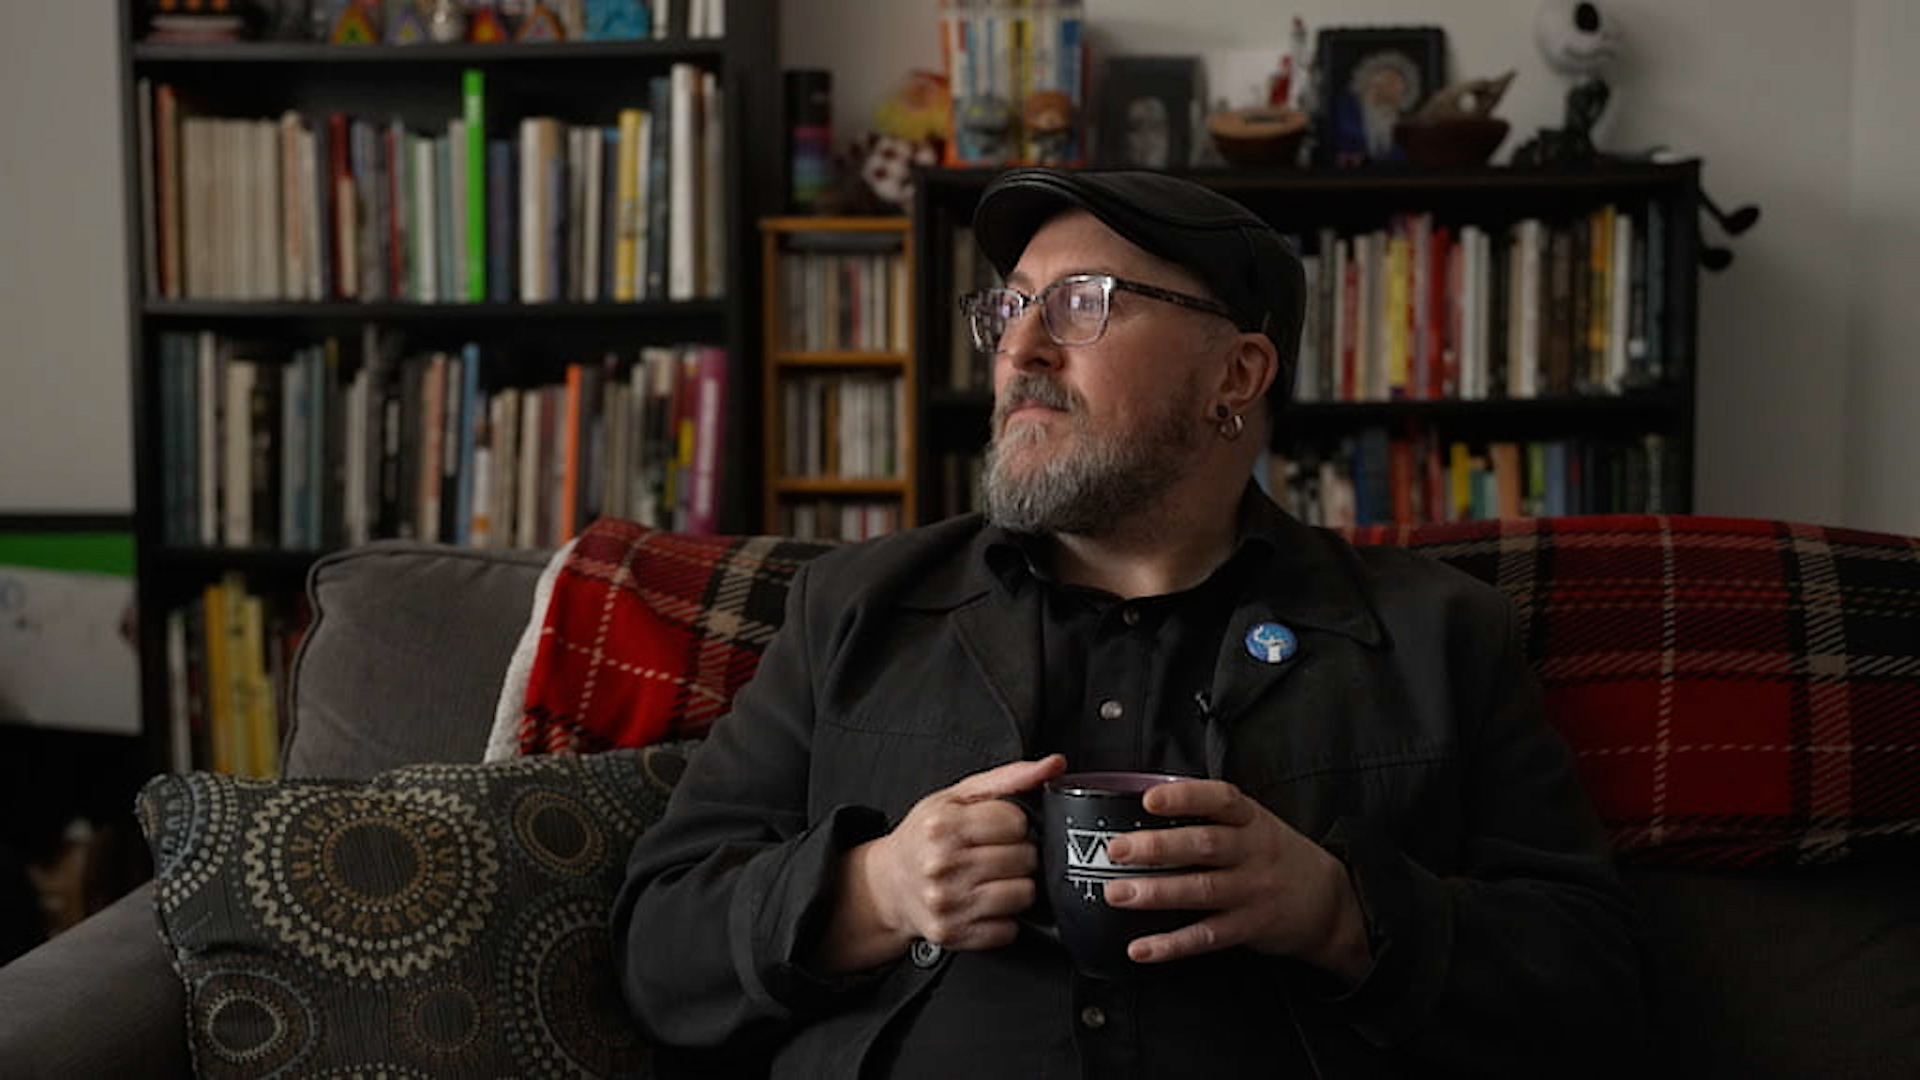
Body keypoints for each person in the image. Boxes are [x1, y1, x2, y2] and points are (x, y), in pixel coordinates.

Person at [613, 168, 1645, 1077]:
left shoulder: (1438, 635)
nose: (1020, 348)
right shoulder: (856, 608)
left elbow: (1590, 989)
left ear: (1234, 377)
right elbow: (658, 950)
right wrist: (872, 891)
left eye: (1080, 305)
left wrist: (1338, 912)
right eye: (1009, 309)